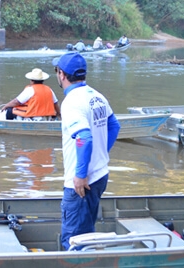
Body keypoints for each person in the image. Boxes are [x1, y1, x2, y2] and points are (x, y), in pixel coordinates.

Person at [52, 52, 121, 250]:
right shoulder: (96, 96)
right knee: (86, 231)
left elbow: (84, 137)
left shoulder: (72, 102)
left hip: (82, 182)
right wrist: (100, 154)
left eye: (57, 71)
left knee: (74, 240)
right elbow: (114, 126)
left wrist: (81, 174)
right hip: (100, 175)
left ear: (62, 74)